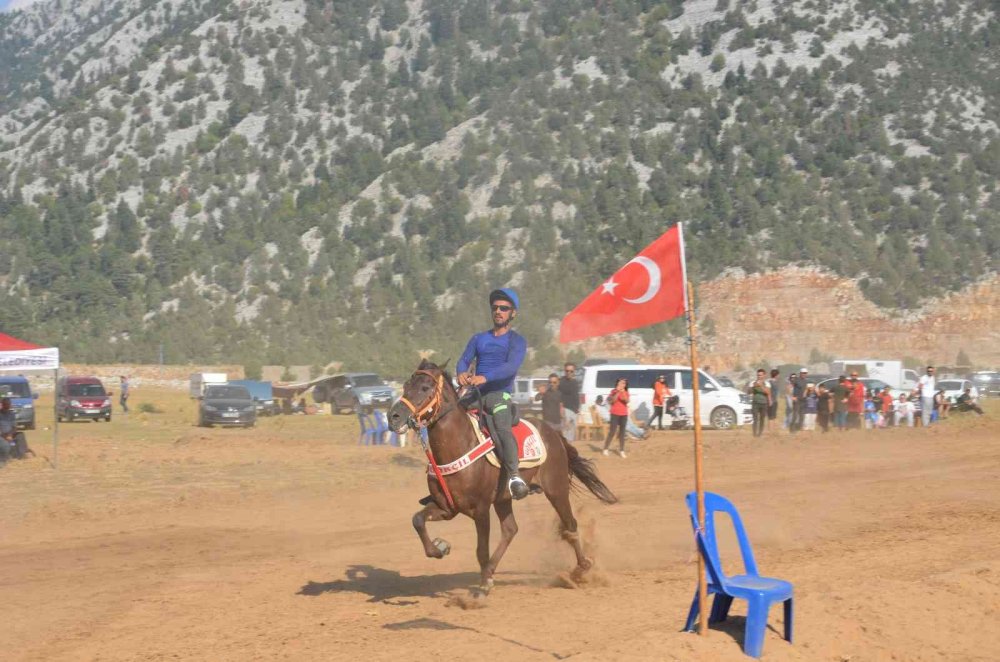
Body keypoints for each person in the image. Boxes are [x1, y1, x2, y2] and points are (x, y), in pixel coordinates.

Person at [457, 288, 529, 499]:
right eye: (495, 307)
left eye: (504, 308)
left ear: (512, 313)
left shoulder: (517, 341)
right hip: (475, 395)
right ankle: (443, 474)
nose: (498, 311)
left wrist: (485, 377)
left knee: (502, 428)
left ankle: (515, 477)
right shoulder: (479, 338)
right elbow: (464, 360)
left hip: (500, 395)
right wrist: (461, 372)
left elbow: (511, 367)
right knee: (448, 417)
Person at [602, 378, 630, 458]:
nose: (622, 385)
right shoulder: (613, 391)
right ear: (617, 384)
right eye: (621, 383)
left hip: (624, 414)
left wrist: (623, 392)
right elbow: (612, 401)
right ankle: (606, 448)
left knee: (622, 433)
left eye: (624, 383)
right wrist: (617, 392)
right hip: (614, 413)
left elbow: (627, 401)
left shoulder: (626, 392)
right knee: (612, 432)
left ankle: (621, 450)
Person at [0, 397, 28, 462]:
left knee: (20, 435)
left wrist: (10, 434)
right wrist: (4, 436)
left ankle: (21, 454)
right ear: (2, 404)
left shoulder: (12, 414)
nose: (8, 406)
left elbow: (14, 427)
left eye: (9, 404)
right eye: (6, 404)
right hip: (1, 435)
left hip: (10, 433)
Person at [558, 363, 580, 442]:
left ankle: (568, 451)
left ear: (574, 372)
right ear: (564, 371)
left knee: (571, 434)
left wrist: (577, 409)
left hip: (574, 411)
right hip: (565, 410)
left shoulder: (575, 382)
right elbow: (558, 396)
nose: (569, 373)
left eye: (571, 371)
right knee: (565, 433)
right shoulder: (561, 382)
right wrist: (561, 408)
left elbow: (576, 396)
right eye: (567, 371)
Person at [747, 369, 770, 438]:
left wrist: (761, 386)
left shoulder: (767, 383)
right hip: (755, 403)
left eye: (760, 375)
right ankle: (754, 434)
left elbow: (768, 392)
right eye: (758, 375)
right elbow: (748, 392)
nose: (759, 376)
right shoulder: (753, 383)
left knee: (762, 419)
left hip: (764, 403)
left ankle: (759, 434)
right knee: (755, 419)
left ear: (764, 375)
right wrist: (754, 386)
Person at [790, 368, 808, 432]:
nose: (804, 374)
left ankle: (799, 428)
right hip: (797, 400)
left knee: (802, 416)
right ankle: (792, 429)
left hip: (803, 400)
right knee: (795, 415)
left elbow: (805, 388)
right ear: (800, 373)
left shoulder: (805, 381)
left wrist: (805, 393)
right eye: (803, 373)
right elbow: (790, 385)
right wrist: (792, 396)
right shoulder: (796, 379)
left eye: (805, 373)